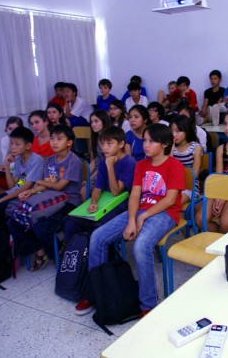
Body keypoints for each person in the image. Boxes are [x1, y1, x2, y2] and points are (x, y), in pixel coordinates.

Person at [89, 124, 185, 316]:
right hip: (140, 210)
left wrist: (143, 216)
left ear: (165, 144)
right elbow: (134, 195)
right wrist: (132, 220)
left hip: (165, 213)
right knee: (98, 236)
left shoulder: (174, 165)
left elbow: (170, 200)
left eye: (151, 141)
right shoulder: (141, 165)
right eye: (145, 140)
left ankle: (147, 304)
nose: (145, 145)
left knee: (141, 246)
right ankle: (98, 292)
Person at [70, 126, 136, 315]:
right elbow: (98, 188)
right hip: (104, 204)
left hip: (122, 206)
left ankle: (97, 285)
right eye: (102, 143)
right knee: (71, 224)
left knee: (97, 231)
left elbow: (116, 191)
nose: (104, 147)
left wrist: (109, 166)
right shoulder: (105, 160)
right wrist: (93, 203)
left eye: (109, 143)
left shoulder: (128, 162)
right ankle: (77, 274)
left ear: (121, 144)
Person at [8, 125, 83, 271]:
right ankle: (40, 249)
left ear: (69, 142)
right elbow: (47, 185)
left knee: (40, 226)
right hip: (49, 199)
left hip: (68, 202)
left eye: (59, 139)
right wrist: (32, 191)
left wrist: (39, 181)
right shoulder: (49, 160)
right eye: (52, 138)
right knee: (14, 221)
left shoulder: (73, 161)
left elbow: (59, 186)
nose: (54, 142)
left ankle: (56, 254)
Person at [0, 127, 44, 229]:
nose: (13, 147)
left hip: (25, 196)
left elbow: (26, 187)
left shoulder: (36, 160)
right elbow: (14, 185)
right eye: (11, 143)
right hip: (14, 192)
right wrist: (6, 166)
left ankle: (1, 236)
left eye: (17, 144)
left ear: (28, 146)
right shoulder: (19, 159)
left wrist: (4, 198)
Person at [171, 115, 203, 205]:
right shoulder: (170, 147)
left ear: (186, 131)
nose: (174, 134)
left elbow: (194, 174)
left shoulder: (196, 148)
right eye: (172, 131)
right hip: (172, 185)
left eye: (178, 131)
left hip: (189, 188)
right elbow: (167, 169)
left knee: (173, 203)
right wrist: (171, 151)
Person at [84, 110, 112, 201]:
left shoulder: (110, 138)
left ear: (104, 121)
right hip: (97, 167)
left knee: (85, 188)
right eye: (91, 122)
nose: (93, 124)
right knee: (82, 182)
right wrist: (86, 175)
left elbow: (106, 163)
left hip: (107, 168)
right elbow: (94, 159)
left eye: (96, 121)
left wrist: (90, 179)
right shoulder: (94, 138)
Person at [0, 116, 24, 194]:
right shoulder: (4, 140)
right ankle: (5, 197)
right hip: (10, 170)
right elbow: (5, 160)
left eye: (16, 129)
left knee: (18, 185)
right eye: (10, 129)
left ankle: (12, 196)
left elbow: (23, 163)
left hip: (24, 174)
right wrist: (5, 165)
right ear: (6, 129)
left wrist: (4, 166)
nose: (13, 132)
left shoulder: (25, 141)